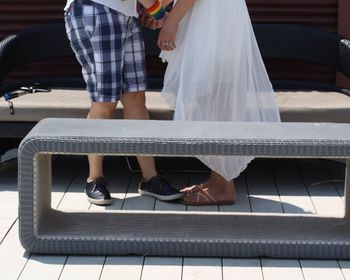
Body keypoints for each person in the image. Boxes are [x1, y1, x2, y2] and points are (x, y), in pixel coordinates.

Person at [157, 0, 281, 205]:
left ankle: (224, 185)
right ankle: (218, 179)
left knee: (217, 96)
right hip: (213, 15)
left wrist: (171, 21)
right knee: (213, 97)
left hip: (215, 18)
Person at [64, 0, 183, 205]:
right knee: (104, 101)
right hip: (98, 10)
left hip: (125, 14)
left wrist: (149, 9)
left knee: (135, 97)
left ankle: (150, 179)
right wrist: (160, 14)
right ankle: (94, 179)